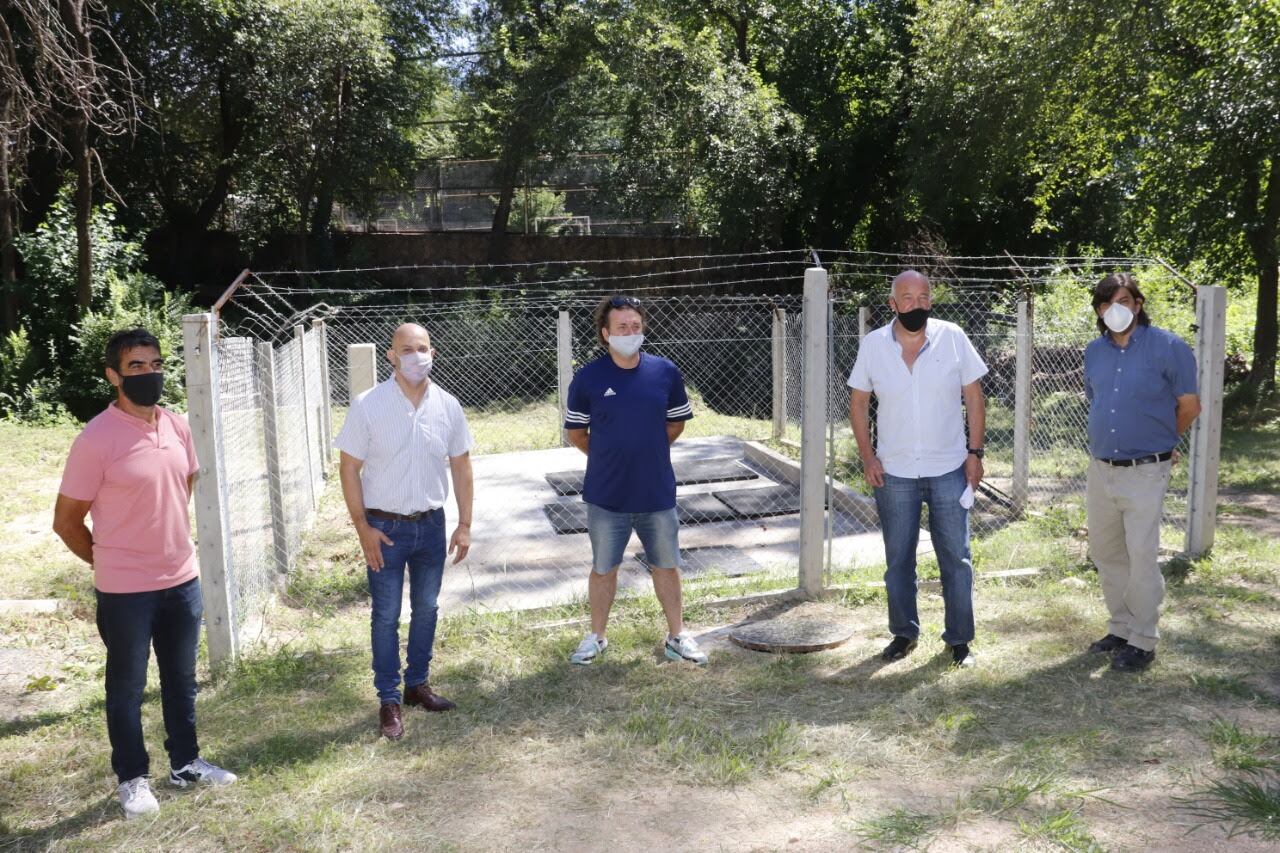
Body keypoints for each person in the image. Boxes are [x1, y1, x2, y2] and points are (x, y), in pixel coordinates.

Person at [52, 328, 237, 820]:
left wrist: (164, 543)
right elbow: (66, 521)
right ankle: (132, 779)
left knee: (182, 680)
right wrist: (108, 558)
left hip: (181, 580)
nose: (149, 373)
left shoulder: (176, 426)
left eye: (155, 364)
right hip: (125, 591)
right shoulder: (96, 439)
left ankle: (186, 764)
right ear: (114, 376)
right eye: (136, 366)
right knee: (127, 689)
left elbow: (184, 483)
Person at [335, 323, 474, 739]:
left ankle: (417, 685)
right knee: (385, 615)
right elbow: (349, 467)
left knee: (427, 609)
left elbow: (462, 466)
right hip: (384, 529)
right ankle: (388, 699)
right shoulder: (367, 405)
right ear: (391, 357)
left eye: (423, 348)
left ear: (433, 352)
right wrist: (362, 528)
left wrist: (464, 523)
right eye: (407, 350)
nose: (416, 356)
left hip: (431, 526)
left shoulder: (448, 406)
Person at [848, 270, 988, 668]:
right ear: (892, 304)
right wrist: (868, 456)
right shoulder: (874, 345)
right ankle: (903, 634)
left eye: (923, 296)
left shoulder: (953, 337)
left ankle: (959, 641)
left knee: (956, 559)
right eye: (906, 298)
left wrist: (974, 453)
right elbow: (858, 404)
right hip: (893, 472)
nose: (916, 304)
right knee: (898, 561)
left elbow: (974, 399)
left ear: (931, 301)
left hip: (949, 468)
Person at [563, 295, 706, 666]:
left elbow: (675, 423)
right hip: (606, 495)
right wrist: (611, 455)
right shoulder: (588, 377)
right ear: (605, 333)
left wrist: (648, 448)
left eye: (635, 326)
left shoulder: (665, 372)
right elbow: (576, 433)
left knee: (666, 565)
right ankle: (597, 637)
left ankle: (677, 636)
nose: (630, 332)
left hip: (656, 491)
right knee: (603, 568)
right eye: (622, 327)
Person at [1083, 273, 1199, 672]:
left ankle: (1144, 639)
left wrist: (1165, 440)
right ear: (1099, 311)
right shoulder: (1094, 352)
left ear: (1138, 303)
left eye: (1124, 300)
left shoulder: (1169, 347)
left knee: (1141, 555)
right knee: (1106, 551)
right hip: (1101, 469)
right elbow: (1096, 401)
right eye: (1106, 303)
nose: (1116, 308)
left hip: (1146, 470)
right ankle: (1120, 626)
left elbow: (1189, 404)